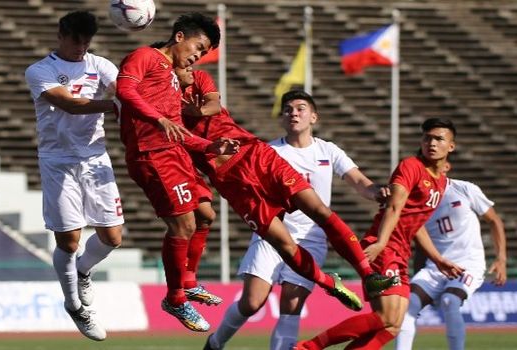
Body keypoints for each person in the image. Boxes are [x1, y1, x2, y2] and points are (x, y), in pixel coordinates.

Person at [170, 67, 398, 342]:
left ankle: (365, 276)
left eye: (301, 108)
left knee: (292, 304)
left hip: (311, 238)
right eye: (288, 109)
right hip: (272, 234)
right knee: (252, 302)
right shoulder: (272, 150)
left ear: (314, 116)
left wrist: (376, 192)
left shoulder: (328, 150)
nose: (294, 113)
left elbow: (359, 181)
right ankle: (216, 342)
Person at [115, 12, 238, 332]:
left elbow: (176, 129)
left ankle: (188, 280)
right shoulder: (145, 56)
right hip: (152, 153)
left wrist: (211, 147)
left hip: (176, 153)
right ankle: (175, 298)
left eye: (205, 52)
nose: (198, 56)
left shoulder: (173, 76)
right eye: (198, 46)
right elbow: (125, 91)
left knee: (205, 213)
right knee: (183, 224)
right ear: (180, 37)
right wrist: (158, 120)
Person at [296, 118, 466, 350]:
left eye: (438, 139)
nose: (432, 143)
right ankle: (310, 347)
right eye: (427, 138)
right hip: (384, 247)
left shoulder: (441, 182)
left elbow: (416, 223)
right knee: (387, 316)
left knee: (394, 325)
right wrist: (380, 243)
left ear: (451, 146)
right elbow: (393, 207)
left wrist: (437, 259)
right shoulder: (410, 167)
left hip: (400, 252)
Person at [24, 11, 124, 341]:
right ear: (61, 35)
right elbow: (70, 105)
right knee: (69, 240)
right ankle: (74, 305)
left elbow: (125, 90)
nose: (82, 47)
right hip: (58, 161)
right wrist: (116, 106)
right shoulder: (41, 71)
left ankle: (83, 271)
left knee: (112, 238)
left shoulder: (101, 65)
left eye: (86, 41)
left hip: (96, 158)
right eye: (76, 40)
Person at [395, 163, 507, 350]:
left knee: (450, 301)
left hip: (469, 264)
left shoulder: (465, 189)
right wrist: (418, 273)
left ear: (446, 167)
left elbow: (494, 220)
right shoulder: (418, 205)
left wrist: (501, 259)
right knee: (408, 305)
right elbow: (422, 246)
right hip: (436, 267)